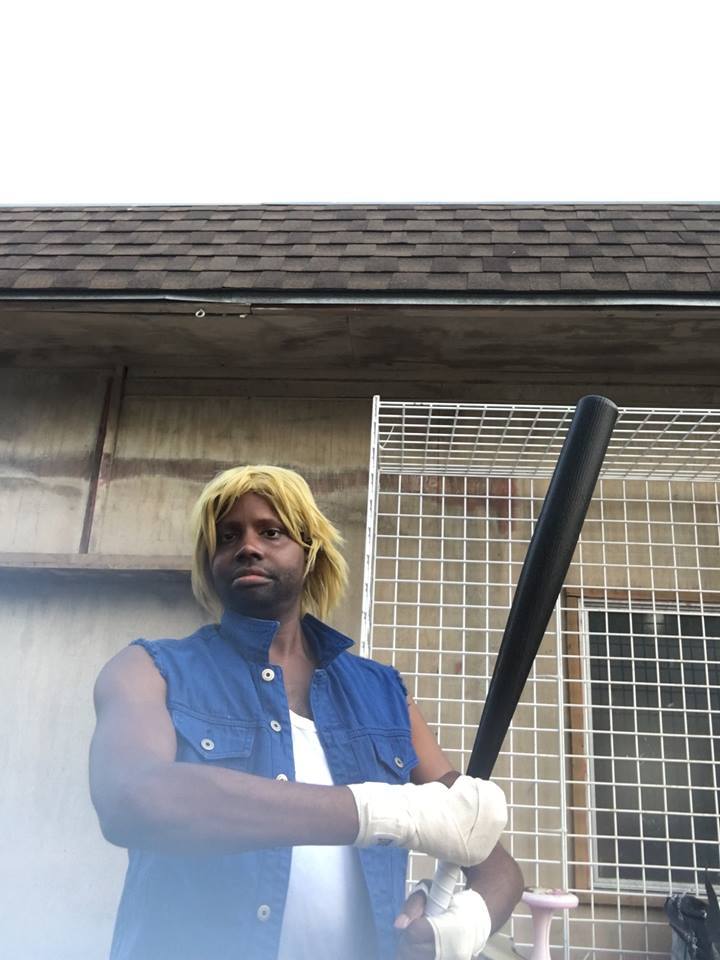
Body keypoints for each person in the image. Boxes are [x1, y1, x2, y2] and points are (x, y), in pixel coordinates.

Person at [90, 465, 524, 960]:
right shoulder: (151, 669)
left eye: (271, 532)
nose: (247, 546)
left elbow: (491, 856)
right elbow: (132, 797)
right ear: (210, 563)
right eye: (227, 536)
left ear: (310, 552)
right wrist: (387, 812)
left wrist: (463, 924)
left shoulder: (384, 694)